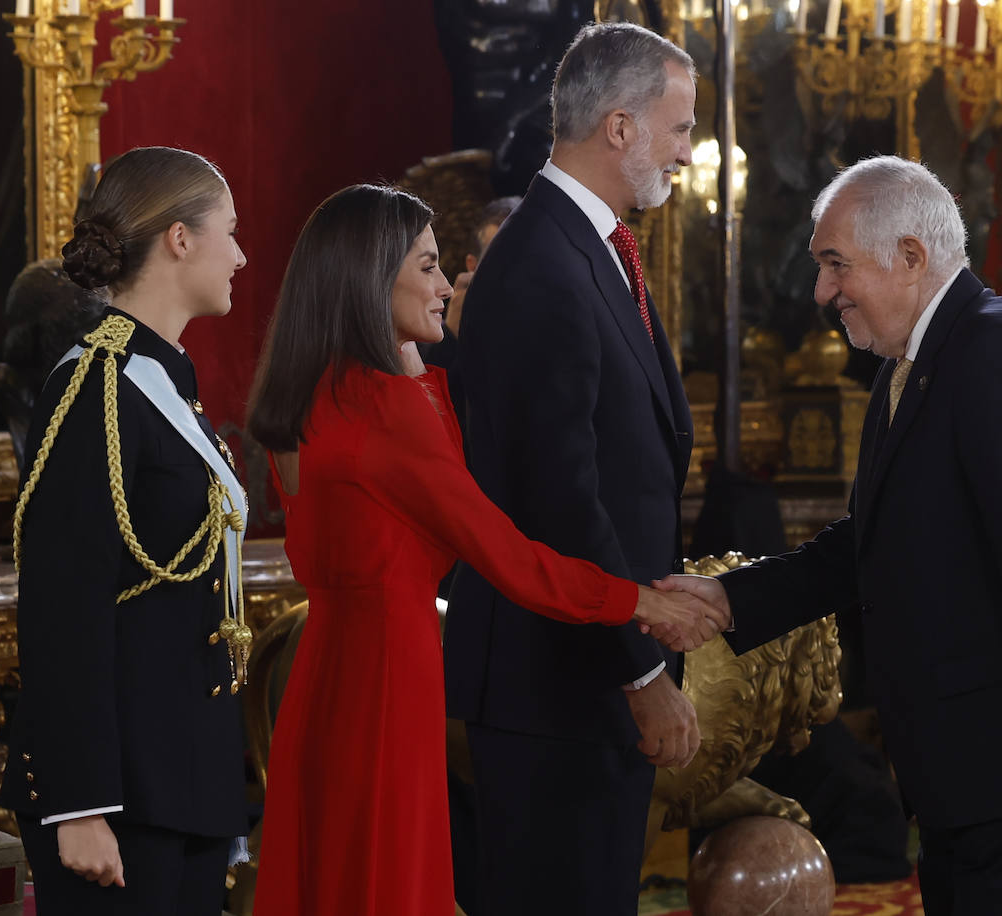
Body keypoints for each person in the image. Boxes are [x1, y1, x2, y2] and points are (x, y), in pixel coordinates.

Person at [659, 156, 1002, 916]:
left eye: (836, 265)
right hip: (965, 767)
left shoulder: (999, 353)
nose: (824, 291)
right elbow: (868, 544)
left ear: (909, 256)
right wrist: (726, 600)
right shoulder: (914, 367)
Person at [243, 183, 719, 916]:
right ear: (374, 278)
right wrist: (640, 600)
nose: (445, 284)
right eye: (430, 266)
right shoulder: (384, 411)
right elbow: (509, 556)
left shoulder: (323, 391)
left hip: (329, 678)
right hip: (385, 687)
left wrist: (449, 345)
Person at [445, 21, 708, 916]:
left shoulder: (586, 246)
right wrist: (640, 675)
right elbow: (560, 497)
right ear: (621, 128)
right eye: (679, 128)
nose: (689, 150)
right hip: (556, 681)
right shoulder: (541, 266)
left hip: (581, 676)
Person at [0, 146, 252, 916]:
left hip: (183, 784)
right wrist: (79, 804)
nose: (240, 256)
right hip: (122, 799)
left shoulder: (165, 381)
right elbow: (62, 607)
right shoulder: (94, 386)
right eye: (230, 232)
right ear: (179, 239)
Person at [421, 194, 519, 427]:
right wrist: (452, 336)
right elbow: (432, 417)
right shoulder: (428, 331)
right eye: (501, 261)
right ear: (473, 267)